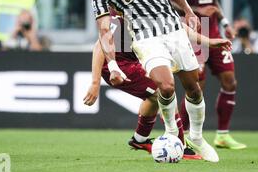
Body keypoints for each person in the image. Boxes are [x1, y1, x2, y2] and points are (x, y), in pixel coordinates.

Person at [90, 0, 219, 162]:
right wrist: (112, 67)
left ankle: (196, 137)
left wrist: (188, 12)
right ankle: (173, 135)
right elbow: (103, 34)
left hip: (174, 31)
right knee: (165, 87)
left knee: (194, 89)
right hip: (146, 40)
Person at [83, 8, 232, 159]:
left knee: (155, 96)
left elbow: (177, 27)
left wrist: (208, 42)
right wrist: (95, 83)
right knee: (161, 91)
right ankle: (181, 145)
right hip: (118, 65)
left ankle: (139, 140)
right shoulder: (127, 12)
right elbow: (99, 46)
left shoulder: (151, 4)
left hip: (135, 60)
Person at [172, 0, 246, 150]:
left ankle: (222, 135)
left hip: (214, 31)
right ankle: (181, 135)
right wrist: (193, 10)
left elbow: (213, 2)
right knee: (196, 87)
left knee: (230, 81)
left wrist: (225, 23)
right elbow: (169, 1)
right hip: (194, 33)